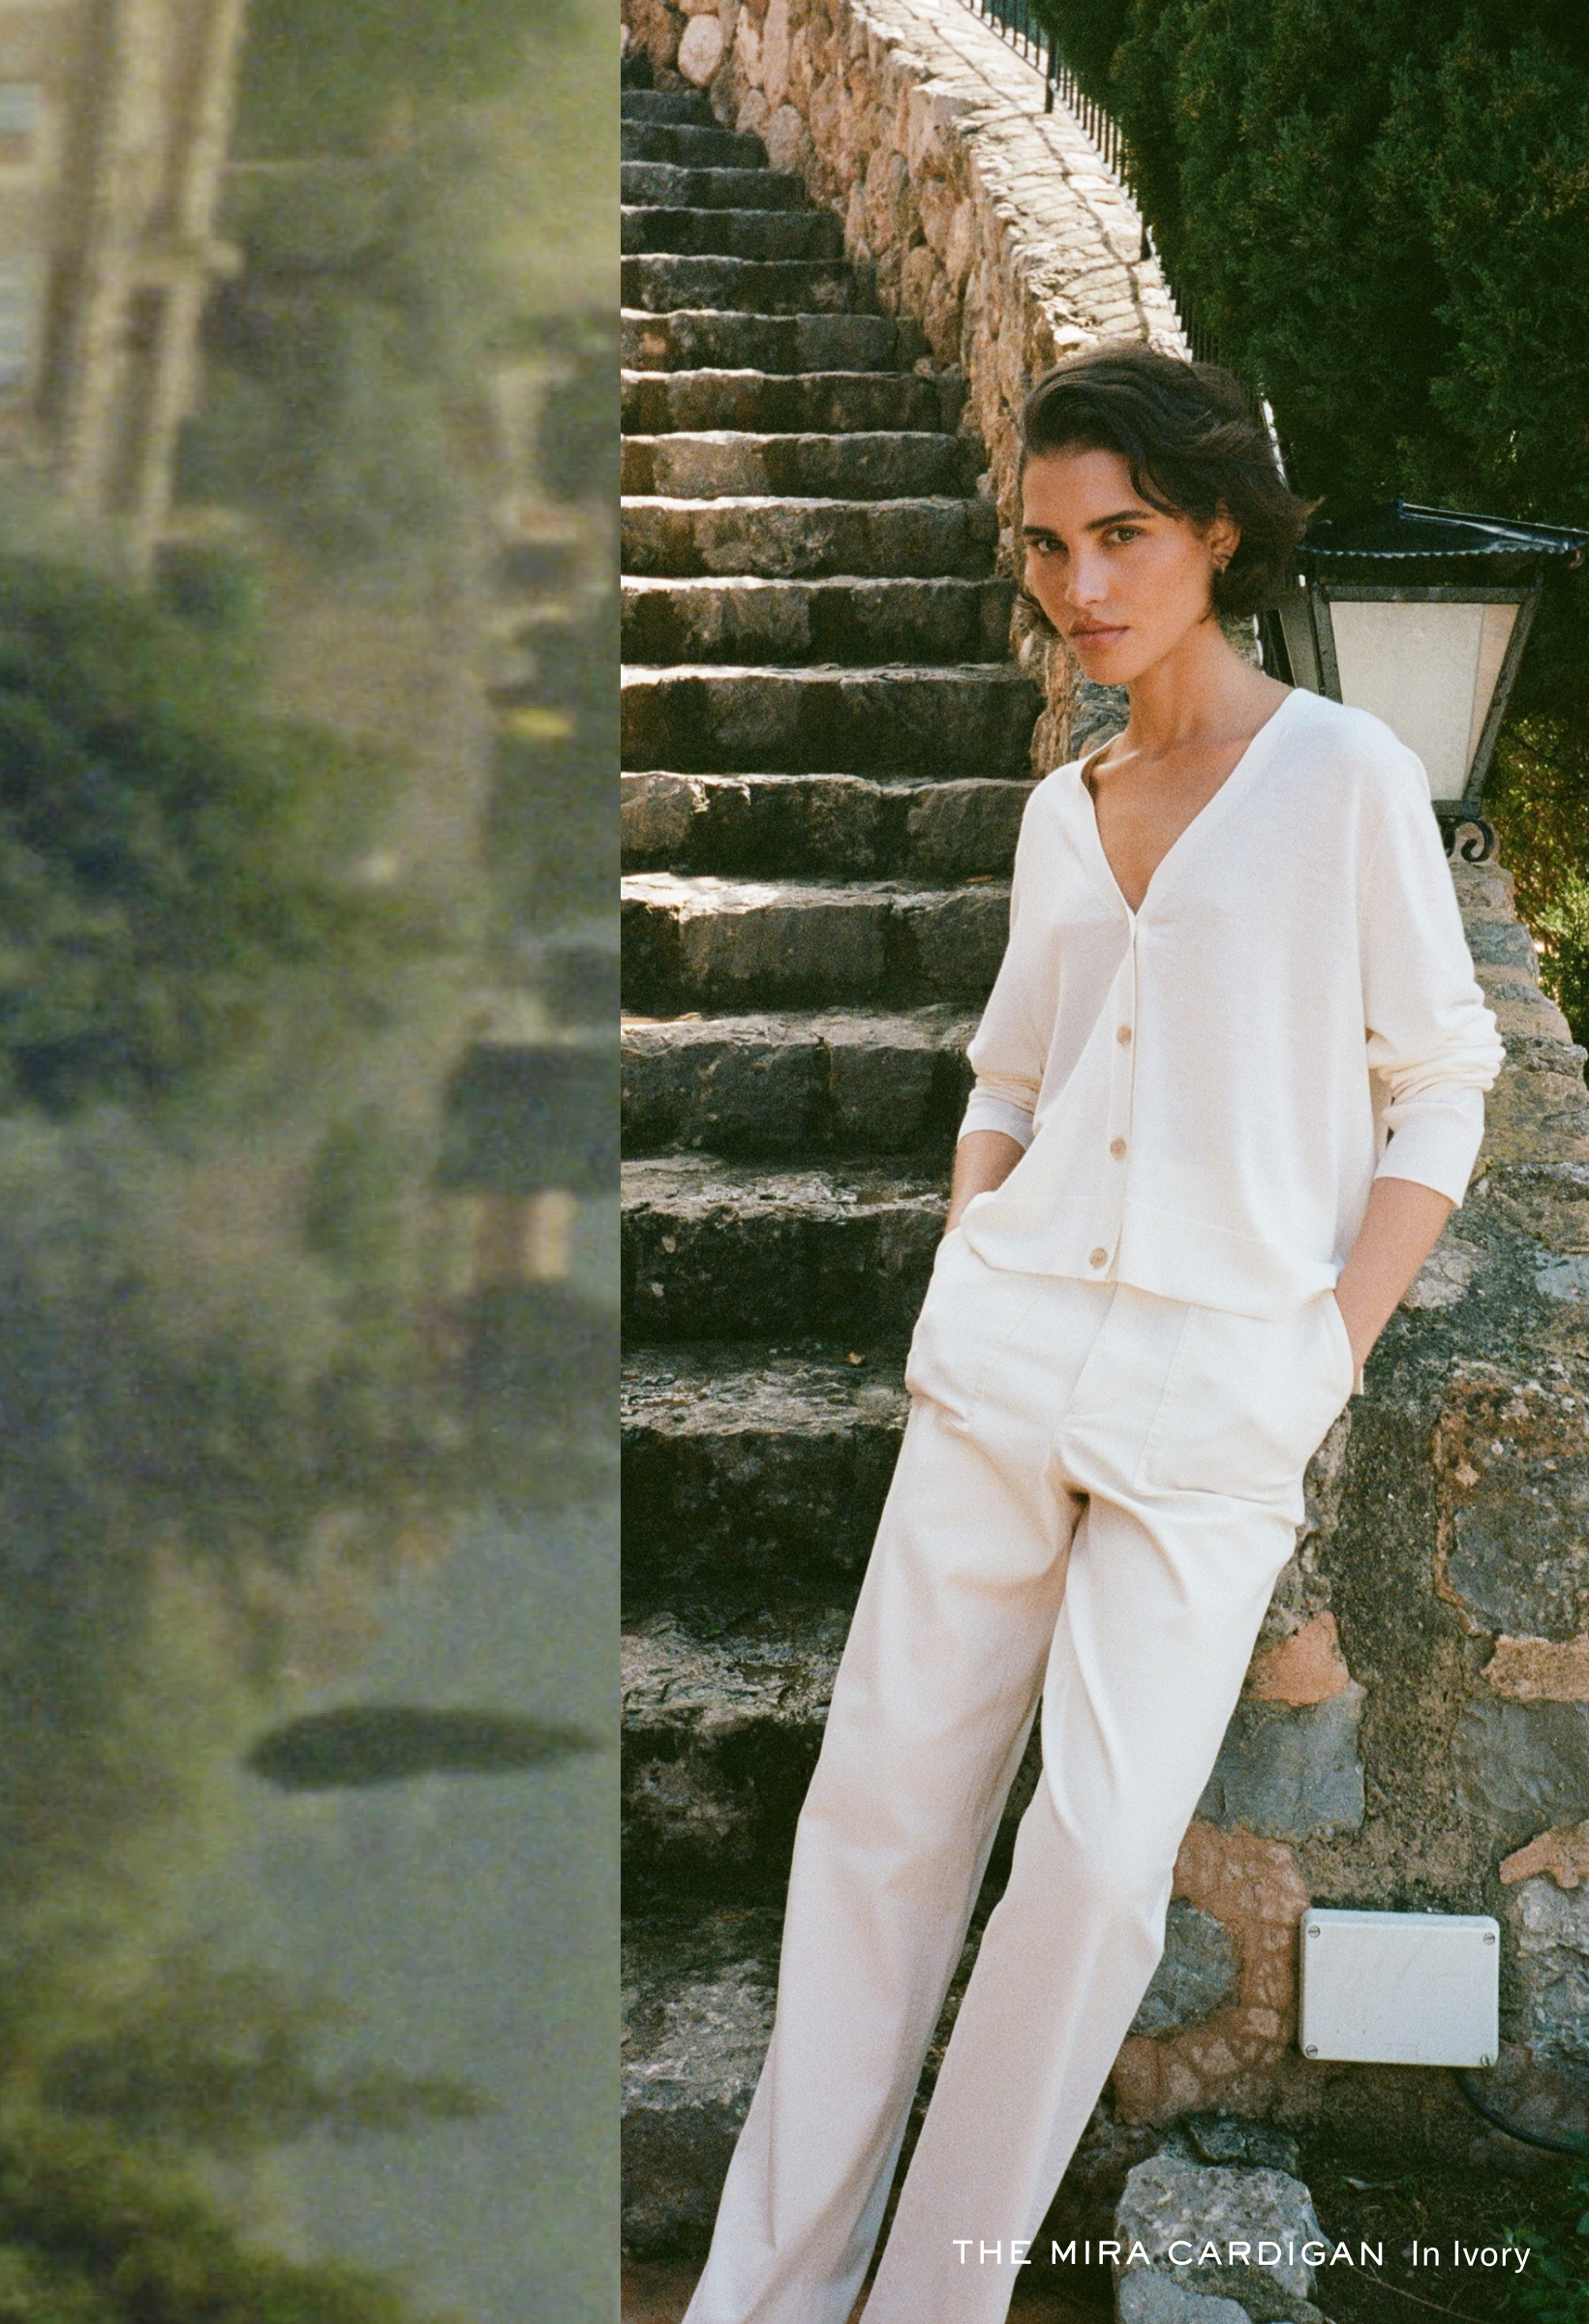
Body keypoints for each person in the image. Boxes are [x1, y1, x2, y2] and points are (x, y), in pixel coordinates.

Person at [680, 343, 1506, 2324]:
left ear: (1215, 530)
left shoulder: (1343, 777)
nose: (1084, 584)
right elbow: (1008, 1071)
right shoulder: (1075, 806)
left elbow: (1443, 1081)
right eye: (1051, 546)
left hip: (1218, 1395)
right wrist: (976, 1241)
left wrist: (1323, 1347)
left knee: (1089, 1874)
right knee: (873, 1836)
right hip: (1005, 1365)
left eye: (1122, 535)